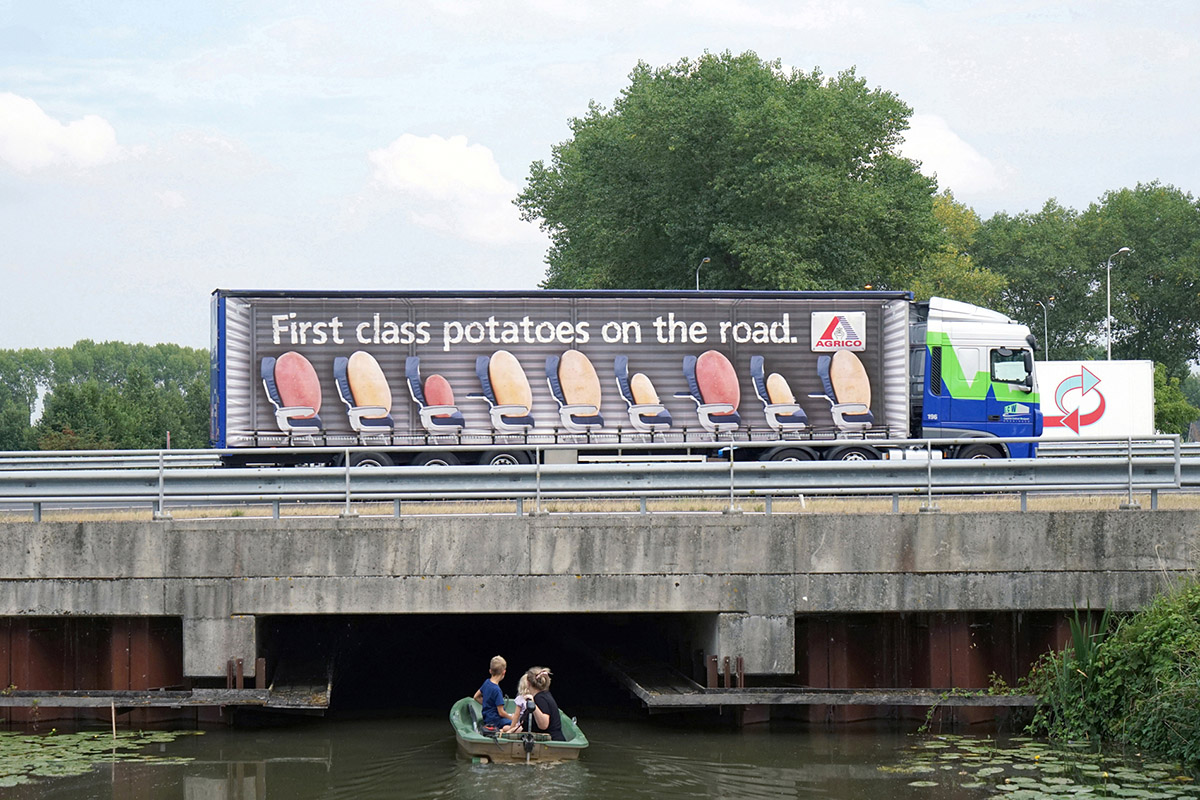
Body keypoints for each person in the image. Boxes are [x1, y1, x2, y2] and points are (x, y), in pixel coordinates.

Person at [472, 655, 517, 732]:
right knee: (518, 725)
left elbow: (476, 697)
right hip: (496, 721)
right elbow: (501, 713)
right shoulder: (497, 690)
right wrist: (512, 718)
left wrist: (487, 705)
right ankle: (501, 731)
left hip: (487, 719)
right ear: (504, 672)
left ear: (490, 671)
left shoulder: (486, 682)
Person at [525, 666, 565, 741]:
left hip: (551, 742)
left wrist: (533, 705)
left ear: (528, 683)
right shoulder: (545, 695)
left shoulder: (540, 699)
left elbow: (544, 725)